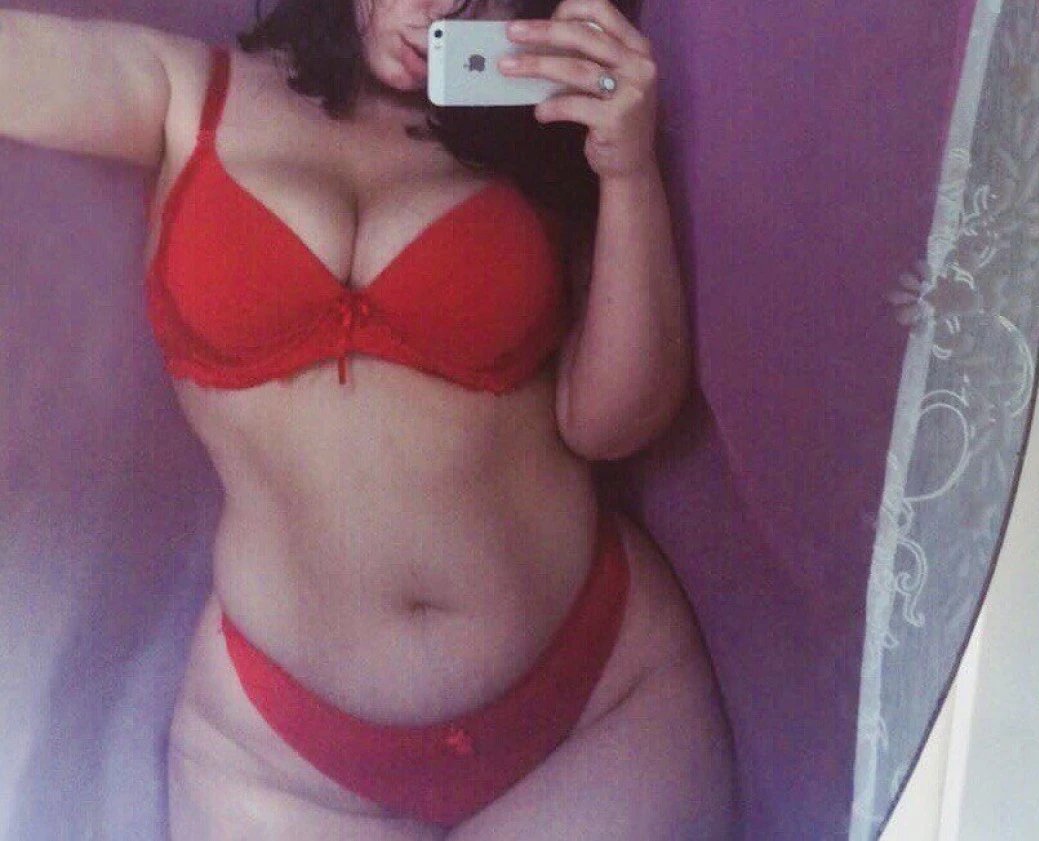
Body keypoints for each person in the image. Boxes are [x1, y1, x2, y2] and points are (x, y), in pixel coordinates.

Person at [0, 0, 738, 837]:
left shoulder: (540, 140)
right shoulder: (183, 91)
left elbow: (613, 425)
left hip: (597, 701)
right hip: (277, 764)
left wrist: (629, 172)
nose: (436, 8)